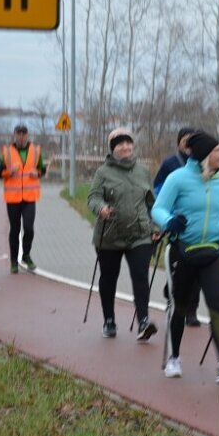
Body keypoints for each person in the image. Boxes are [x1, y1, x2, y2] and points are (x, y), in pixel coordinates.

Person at [152, 131, 219, 384]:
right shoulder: (178, 178)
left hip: (213, 251)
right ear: (205, 155)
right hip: (182, 251)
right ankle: (173, 357)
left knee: (217, 304)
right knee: (180, 306)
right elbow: (157, 208)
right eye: (218, 151)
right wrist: (169, 220)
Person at [87, 128, 160, 341]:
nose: (125, 147)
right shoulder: (102, 172)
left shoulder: (143, 171)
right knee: (109, 279)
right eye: (120, 144)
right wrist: (100, 208)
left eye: (128, 143)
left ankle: (144, 322)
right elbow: (92, 197)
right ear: (112, 149)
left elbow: (152, 202)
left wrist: (155, 227)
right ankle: (109, 320)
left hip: (139, 234)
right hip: (110, 235)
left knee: (140, 276)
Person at [152, 126, 202, 326]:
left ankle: (192, 311)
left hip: (197, 225)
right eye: (186, 140)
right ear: (179, 142)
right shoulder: (170, 163)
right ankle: (171, 295)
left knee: (197, 269)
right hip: (175, 223)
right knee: (179, 268)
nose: (189, 145)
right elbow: (157, 188)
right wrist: (168, 215)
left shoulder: (204, 163)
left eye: (193, 141)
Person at [0, 122, 46, 273]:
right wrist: (9, 171)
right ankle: (13, 261)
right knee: (15, 229)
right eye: (19, 133)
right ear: (15, 135)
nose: (21, 136)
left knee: (29, 228)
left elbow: (42, 169)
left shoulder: (36, 151)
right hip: (13, 198)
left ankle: (26, 255)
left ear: (28, 135)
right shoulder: (6, 152)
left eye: (24, 133)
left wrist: (38, 174)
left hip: (30, 197)